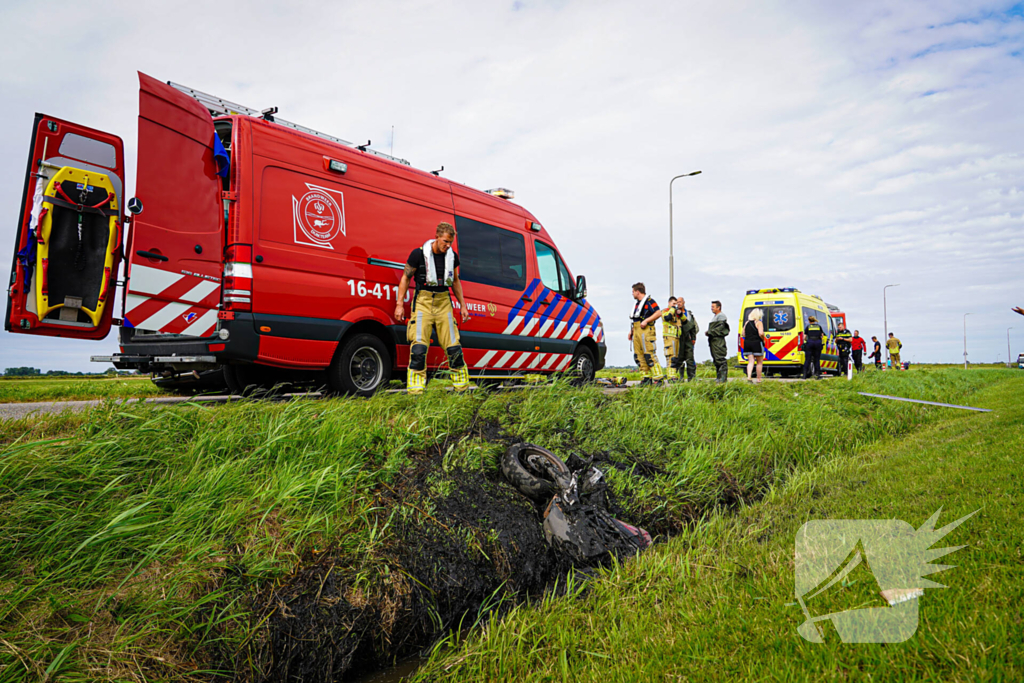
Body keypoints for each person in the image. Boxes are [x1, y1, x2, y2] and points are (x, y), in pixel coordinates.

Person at [395, 221, 471, 395]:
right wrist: (399, 304)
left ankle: (462, 390)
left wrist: (463, 305)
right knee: (418, 349)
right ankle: (416, 392)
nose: (448, 245)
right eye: (445, 241)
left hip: (444, 302)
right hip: (423, 302)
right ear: (437, 237)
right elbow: (405, 278)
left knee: (454, 348)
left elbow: (456, 281)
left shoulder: (452, 257)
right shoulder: (418, 254)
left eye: (450, 242)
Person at [628, 283, 665, 385]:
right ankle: (646, 378)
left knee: (649, 355)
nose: (632, 294)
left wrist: (646, 321)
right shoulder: (637, 304)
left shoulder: (649, 301)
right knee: (638, 356)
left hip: (646, 330)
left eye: (633, 292)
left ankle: (658, 378)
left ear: (637, 292)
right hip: (636, 330)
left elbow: (658, 313)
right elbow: (636, 318)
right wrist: (632, 331)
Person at [674, 296, 699, 381]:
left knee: (690, 358)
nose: (679, 303)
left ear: (684, 302)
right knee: (679, 359)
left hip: (688, 339)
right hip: (679, 338)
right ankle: (679, 378)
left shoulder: (689, 314)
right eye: (677, 302)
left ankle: (691, 378)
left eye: (680, 302)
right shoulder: (675, 313)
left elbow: (693, 327)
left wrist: (693, 338)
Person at [706, 300, 730, 383]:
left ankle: (723, 378)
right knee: (716, 359)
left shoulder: (721, 316)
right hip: (714, 341)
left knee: (720, 358)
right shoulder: (716, 316)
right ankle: (718, 377)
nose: (711, 308)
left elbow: (720, 328)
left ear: (718, 307)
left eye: (713, 307)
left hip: (718, 341)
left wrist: (710, 332)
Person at [661, 296, 682, 380]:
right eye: (673, 303)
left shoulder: (676, 313)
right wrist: (672, 309)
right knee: (671, 357)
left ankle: (673, 375)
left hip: (676, 337)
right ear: (669, 303)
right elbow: (667, 317)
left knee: (675, 358)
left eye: (676, 304)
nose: (675, 305)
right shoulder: (665, 311)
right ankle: (670, 376)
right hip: (669, 337)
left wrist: (680, 314)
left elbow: (684, 321)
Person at [743, 308, 767, 383]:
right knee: (759, 362)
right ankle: (759, 379)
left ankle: (749, 377)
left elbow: (743, 334)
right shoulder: (759, 323)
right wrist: (763, 339)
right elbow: (761, 333)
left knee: (750, 361)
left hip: (747, 343)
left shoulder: (746, 323)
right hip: (757, 343)